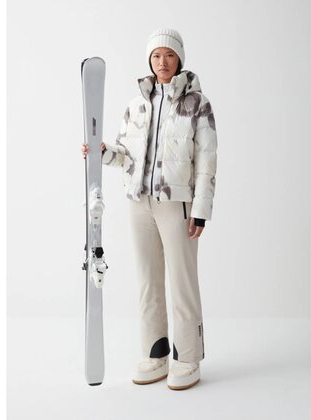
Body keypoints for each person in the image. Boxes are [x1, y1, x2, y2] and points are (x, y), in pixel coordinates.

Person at [81, 28, 217, 390]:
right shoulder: (136, 104)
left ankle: (187, 357)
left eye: (169, 55)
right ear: (149, 60)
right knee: (147, 279)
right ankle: (155, 353)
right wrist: (102, 152)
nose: (162, 62)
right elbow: (126, 156)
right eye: (156, 56)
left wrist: (201, 209)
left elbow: (207, 161)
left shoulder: (197, 104)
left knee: (182, 281)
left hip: (177, 202)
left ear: (179, 59)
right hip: (139, 201)